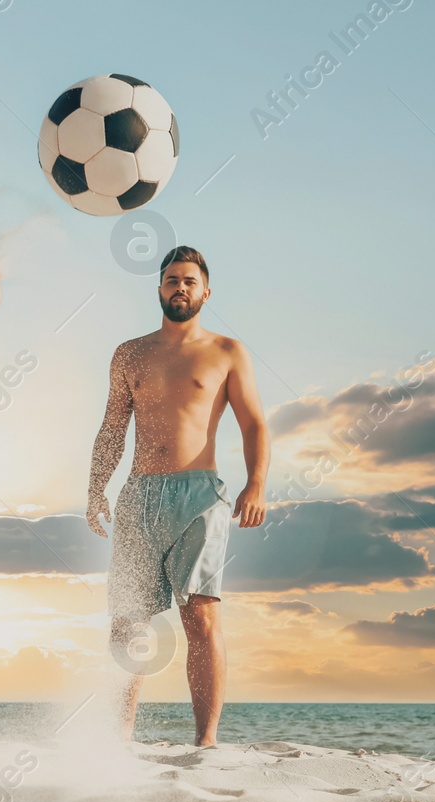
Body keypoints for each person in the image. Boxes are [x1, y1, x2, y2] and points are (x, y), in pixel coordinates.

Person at [85, 246, 270, 747]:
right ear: (159, 289)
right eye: (171, 280)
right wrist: (95, 486)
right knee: (128, 620)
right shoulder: (130, 353)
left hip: (198, 496)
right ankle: (118, 737)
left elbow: (254, 423)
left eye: (189, 280)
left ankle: (206, 741)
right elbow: (112, 427)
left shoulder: (227, 351)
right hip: (138, 496)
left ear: (206, 292)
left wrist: (256, 483)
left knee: (201, 615)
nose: (180, 287)